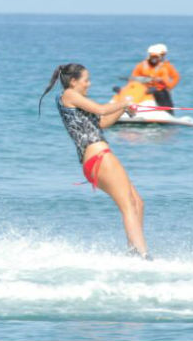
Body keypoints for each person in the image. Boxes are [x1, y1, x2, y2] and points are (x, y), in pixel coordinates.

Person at [39, 63, 151, 260]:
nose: (89, 84)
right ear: (73, 81)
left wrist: (123, 110)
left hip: (96, 159)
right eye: (86, 80)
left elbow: (101, 122)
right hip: (99, 157)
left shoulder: (75, 100)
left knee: (138, 203)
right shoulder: (69, 95)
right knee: (128, 205)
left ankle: (134, 252)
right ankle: (142, 255)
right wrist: (124, 102)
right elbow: (101, 109)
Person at [131, 44, 179, 112]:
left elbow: (174, 77)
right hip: (143, 91)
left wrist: (169, 87)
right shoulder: (141, 65)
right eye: (162, 54)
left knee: (167, 108)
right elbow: (133, 79)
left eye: (163, 54)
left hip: (160, 91)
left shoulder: (165, 66)